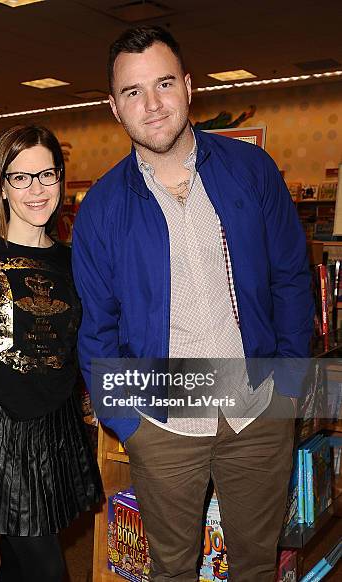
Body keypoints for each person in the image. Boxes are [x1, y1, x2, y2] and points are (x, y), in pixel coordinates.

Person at [72, 26, 313, 582]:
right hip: (165, 422)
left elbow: (290, 280)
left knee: (255, 566)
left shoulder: (250, 171)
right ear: (114, 107)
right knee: (172, 570)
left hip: (257, 408)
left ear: (187, 86)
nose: (151, 104)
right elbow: (98, 330)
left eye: (162, 84)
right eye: (133, 92)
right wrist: (128, 421)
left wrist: (291, 382)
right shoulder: (103, 209)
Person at [0, 125, 102, 582]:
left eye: (46, 175)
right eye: (21, 177)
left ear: (60, 179)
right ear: (1, 185)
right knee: (47, 567)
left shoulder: (73, 260)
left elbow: (82, 334)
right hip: (2, 428)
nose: (36, 189)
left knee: (19, 562)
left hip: (57, 424)